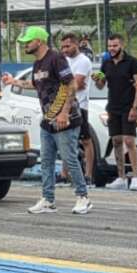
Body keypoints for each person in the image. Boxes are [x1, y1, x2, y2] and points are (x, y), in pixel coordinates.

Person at [2, 26, 89, 215]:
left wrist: (65, 113)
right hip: (48, 120)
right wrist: (14, 82)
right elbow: (35, 84)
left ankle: (83, 197)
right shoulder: (37, 64)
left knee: (69, 158)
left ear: (39, 41)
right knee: (47, 161)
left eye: (28, 42)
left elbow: (71, 84)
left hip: (65, 119)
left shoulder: (56, 58)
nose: (25, 45)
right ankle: (48, 199)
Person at [96, 33, 137, 191]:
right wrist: (97, 79)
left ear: (121, 45)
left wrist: (135, 107)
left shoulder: (133, 62)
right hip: (113, 107)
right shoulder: (106, 63)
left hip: (128, 106)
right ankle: (121, 177)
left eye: (115, 46)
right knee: (116, 141)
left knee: (130, 141)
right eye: (109, 46)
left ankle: (136, 177)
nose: (112, 49)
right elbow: (101, 85)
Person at [59, 33, 95, 186]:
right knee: (66, 141)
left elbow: (77, 84)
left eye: (67, 46)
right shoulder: (63, 60)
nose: (64, 50)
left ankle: (88, 174)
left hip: (80, 106)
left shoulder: (83, 61)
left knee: (85, 140)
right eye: (62, 47)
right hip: (63, 105)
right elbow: (62, 82)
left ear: (76, 45)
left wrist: (69, 84)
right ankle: (64, 174)